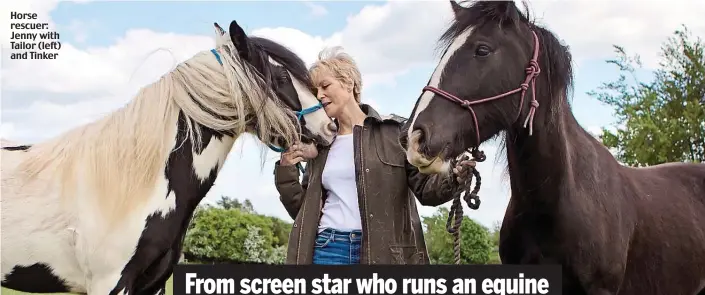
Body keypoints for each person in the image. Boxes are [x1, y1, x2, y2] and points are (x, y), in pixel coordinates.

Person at [273, 46, 475, 265]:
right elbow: (303, 213)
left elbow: (427, 191)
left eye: (325, 86)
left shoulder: (395, 132)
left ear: (349, 83)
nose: (319, 95)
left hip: (385, 255)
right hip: (328, 248)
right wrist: (286, 171)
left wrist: (454, 176)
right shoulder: (321, 145)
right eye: (315, 91)